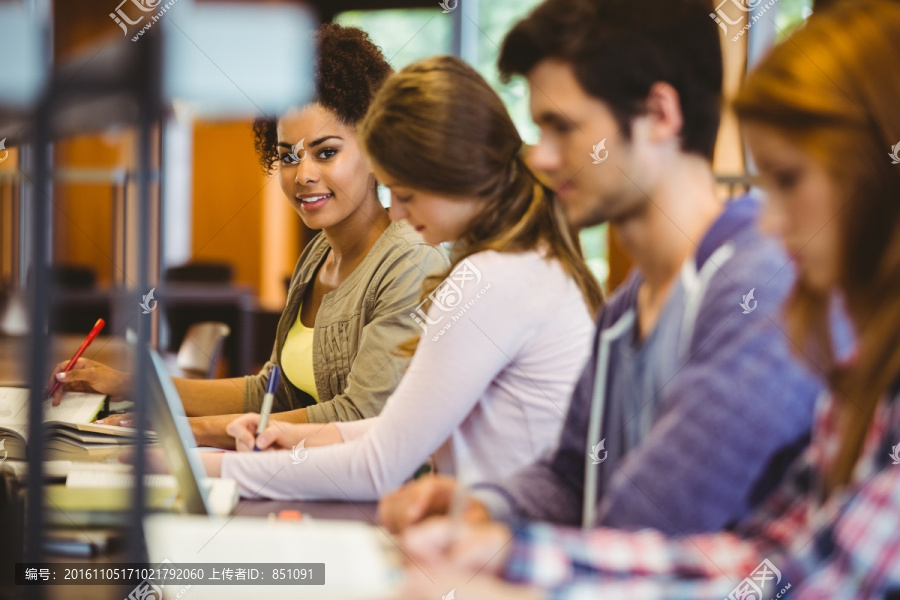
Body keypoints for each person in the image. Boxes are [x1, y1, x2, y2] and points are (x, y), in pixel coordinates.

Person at [395, 1, 900, 598]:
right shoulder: (623, 312)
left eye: (563, 127)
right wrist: (489, 516)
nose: (541, 157)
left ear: (660, 113)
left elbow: (661, 523)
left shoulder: (760, 287)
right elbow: (764, 557)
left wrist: (513, 566)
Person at [200, 55, 603, 501]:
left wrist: (210, 467)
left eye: (406, 195)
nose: (399, 213)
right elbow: (400, 431)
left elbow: (379, 468)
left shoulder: (493, 278)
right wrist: (294, 437)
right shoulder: (516, 261)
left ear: (457, 175)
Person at [47, 24, 449, 448]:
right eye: (289, 157)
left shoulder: (411, 261)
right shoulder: (317, 256)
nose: (304, 175)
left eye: (326, 152)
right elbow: (269, 394)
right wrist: (133, 386)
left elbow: (361, 416)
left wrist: (186, 429)